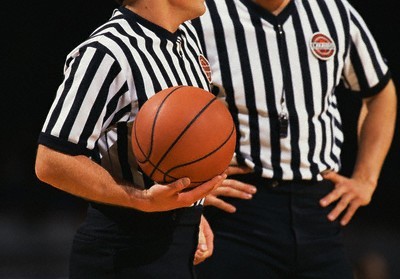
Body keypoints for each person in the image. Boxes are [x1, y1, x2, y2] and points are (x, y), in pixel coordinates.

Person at [192, 0, 397, 278]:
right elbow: (169, 107)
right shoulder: (202, 14)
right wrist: (191, 187)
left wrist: (366, 178)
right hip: (238, 209)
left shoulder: (334, 11)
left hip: (319, 208)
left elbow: (380, 92)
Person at [34, 0, 226, 278]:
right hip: (125, 248)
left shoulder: (187, 42)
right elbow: (51, 160)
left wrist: (190, 212)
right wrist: (142, 199)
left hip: (178, 241)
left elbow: (173, 153)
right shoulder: (106, 52)